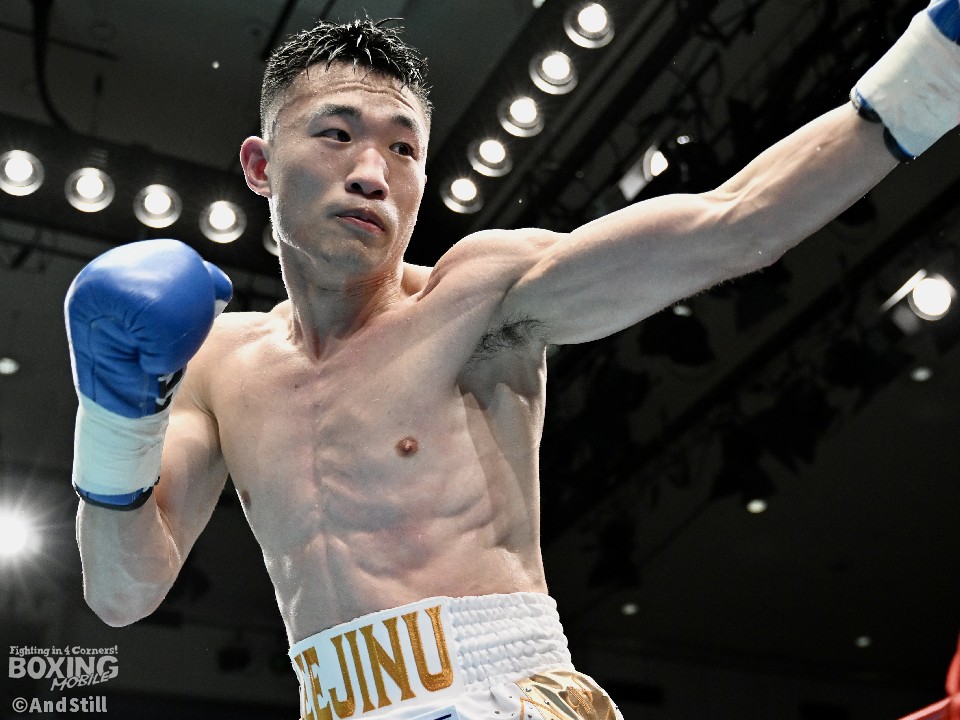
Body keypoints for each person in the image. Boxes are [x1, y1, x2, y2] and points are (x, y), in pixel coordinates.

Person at [65, 4, 960, 719]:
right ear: (261, 166)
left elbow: (737, 224)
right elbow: (122, 592)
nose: (373, 171)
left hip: (505, 692)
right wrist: (114, 414)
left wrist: (934, 67)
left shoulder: (478, 298)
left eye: (403, 147)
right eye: (336, 134)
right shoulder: (217, 362)